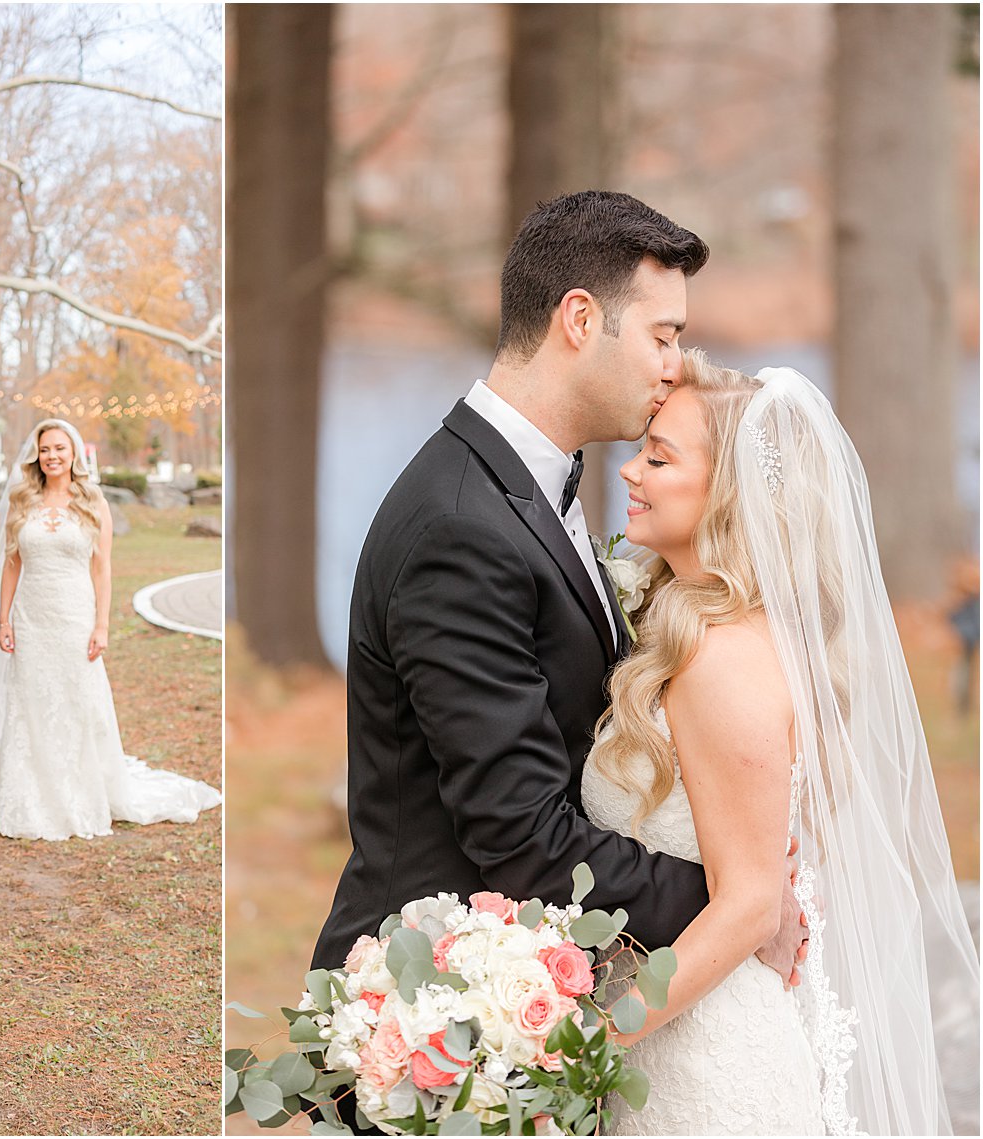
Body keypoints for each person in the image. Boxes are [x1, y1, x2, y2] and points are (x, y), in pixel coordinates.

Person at [309, 192, 807, 1132]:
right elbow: (522, 834)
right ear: (581, 319)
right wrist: (742, 905)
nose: (672, 366)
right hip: (442, 1026)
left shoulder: (530, 487)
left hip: (539, 1004)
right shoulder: (463, 522)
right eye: (663, 335)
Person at [582, 351, 978, 1133]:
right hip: (671, 1039)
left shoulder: (723, 658)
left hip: (704, 1071)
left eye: (660, 457)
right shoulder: (707, 631)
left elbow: (752, 903)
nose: (630, 471)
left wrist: (589, 1041)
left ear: (729, 491)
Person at [0, 417, 220, 840]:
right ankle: (30, 793)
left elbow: (102, 568)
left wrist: (101, 624)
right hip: (31, 615)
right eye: (45, 449)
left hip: (75, 614)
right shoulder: (22, 501)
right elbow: (12, 563)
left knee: (75, 699)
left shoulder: (93, 502)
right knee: (32, 699)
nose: (52, 456)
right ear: (37, 456)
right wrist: (4, 618)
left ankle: (78, 790)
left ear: (74, 455)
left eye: (59, 449)